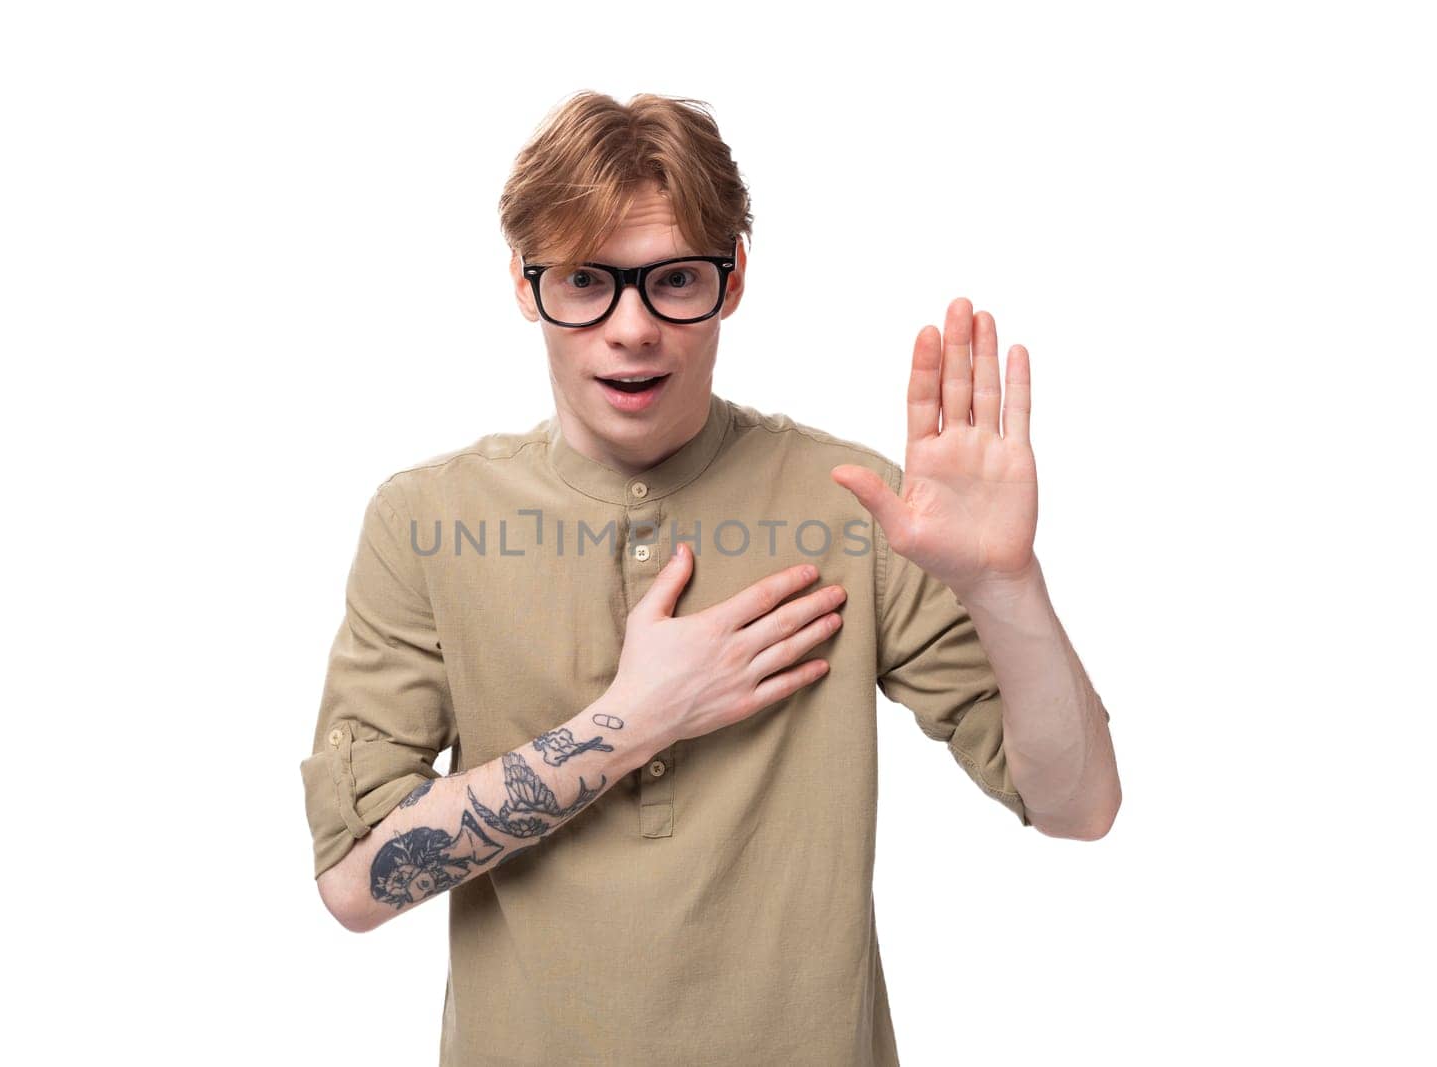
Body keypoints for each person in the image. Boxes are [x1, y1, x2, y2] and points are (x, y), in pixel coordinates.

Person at [299, 90, 1121, 1065]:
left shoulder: (856, 501)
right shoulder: (426, 518)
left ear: (730, 283)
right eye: (585, 281)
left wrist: (1005, 584)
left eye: (674, 280)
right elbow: (355, 882)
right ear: (527, 287)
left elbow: (1078, 806)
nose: (632, 327)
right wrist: (633, 718)